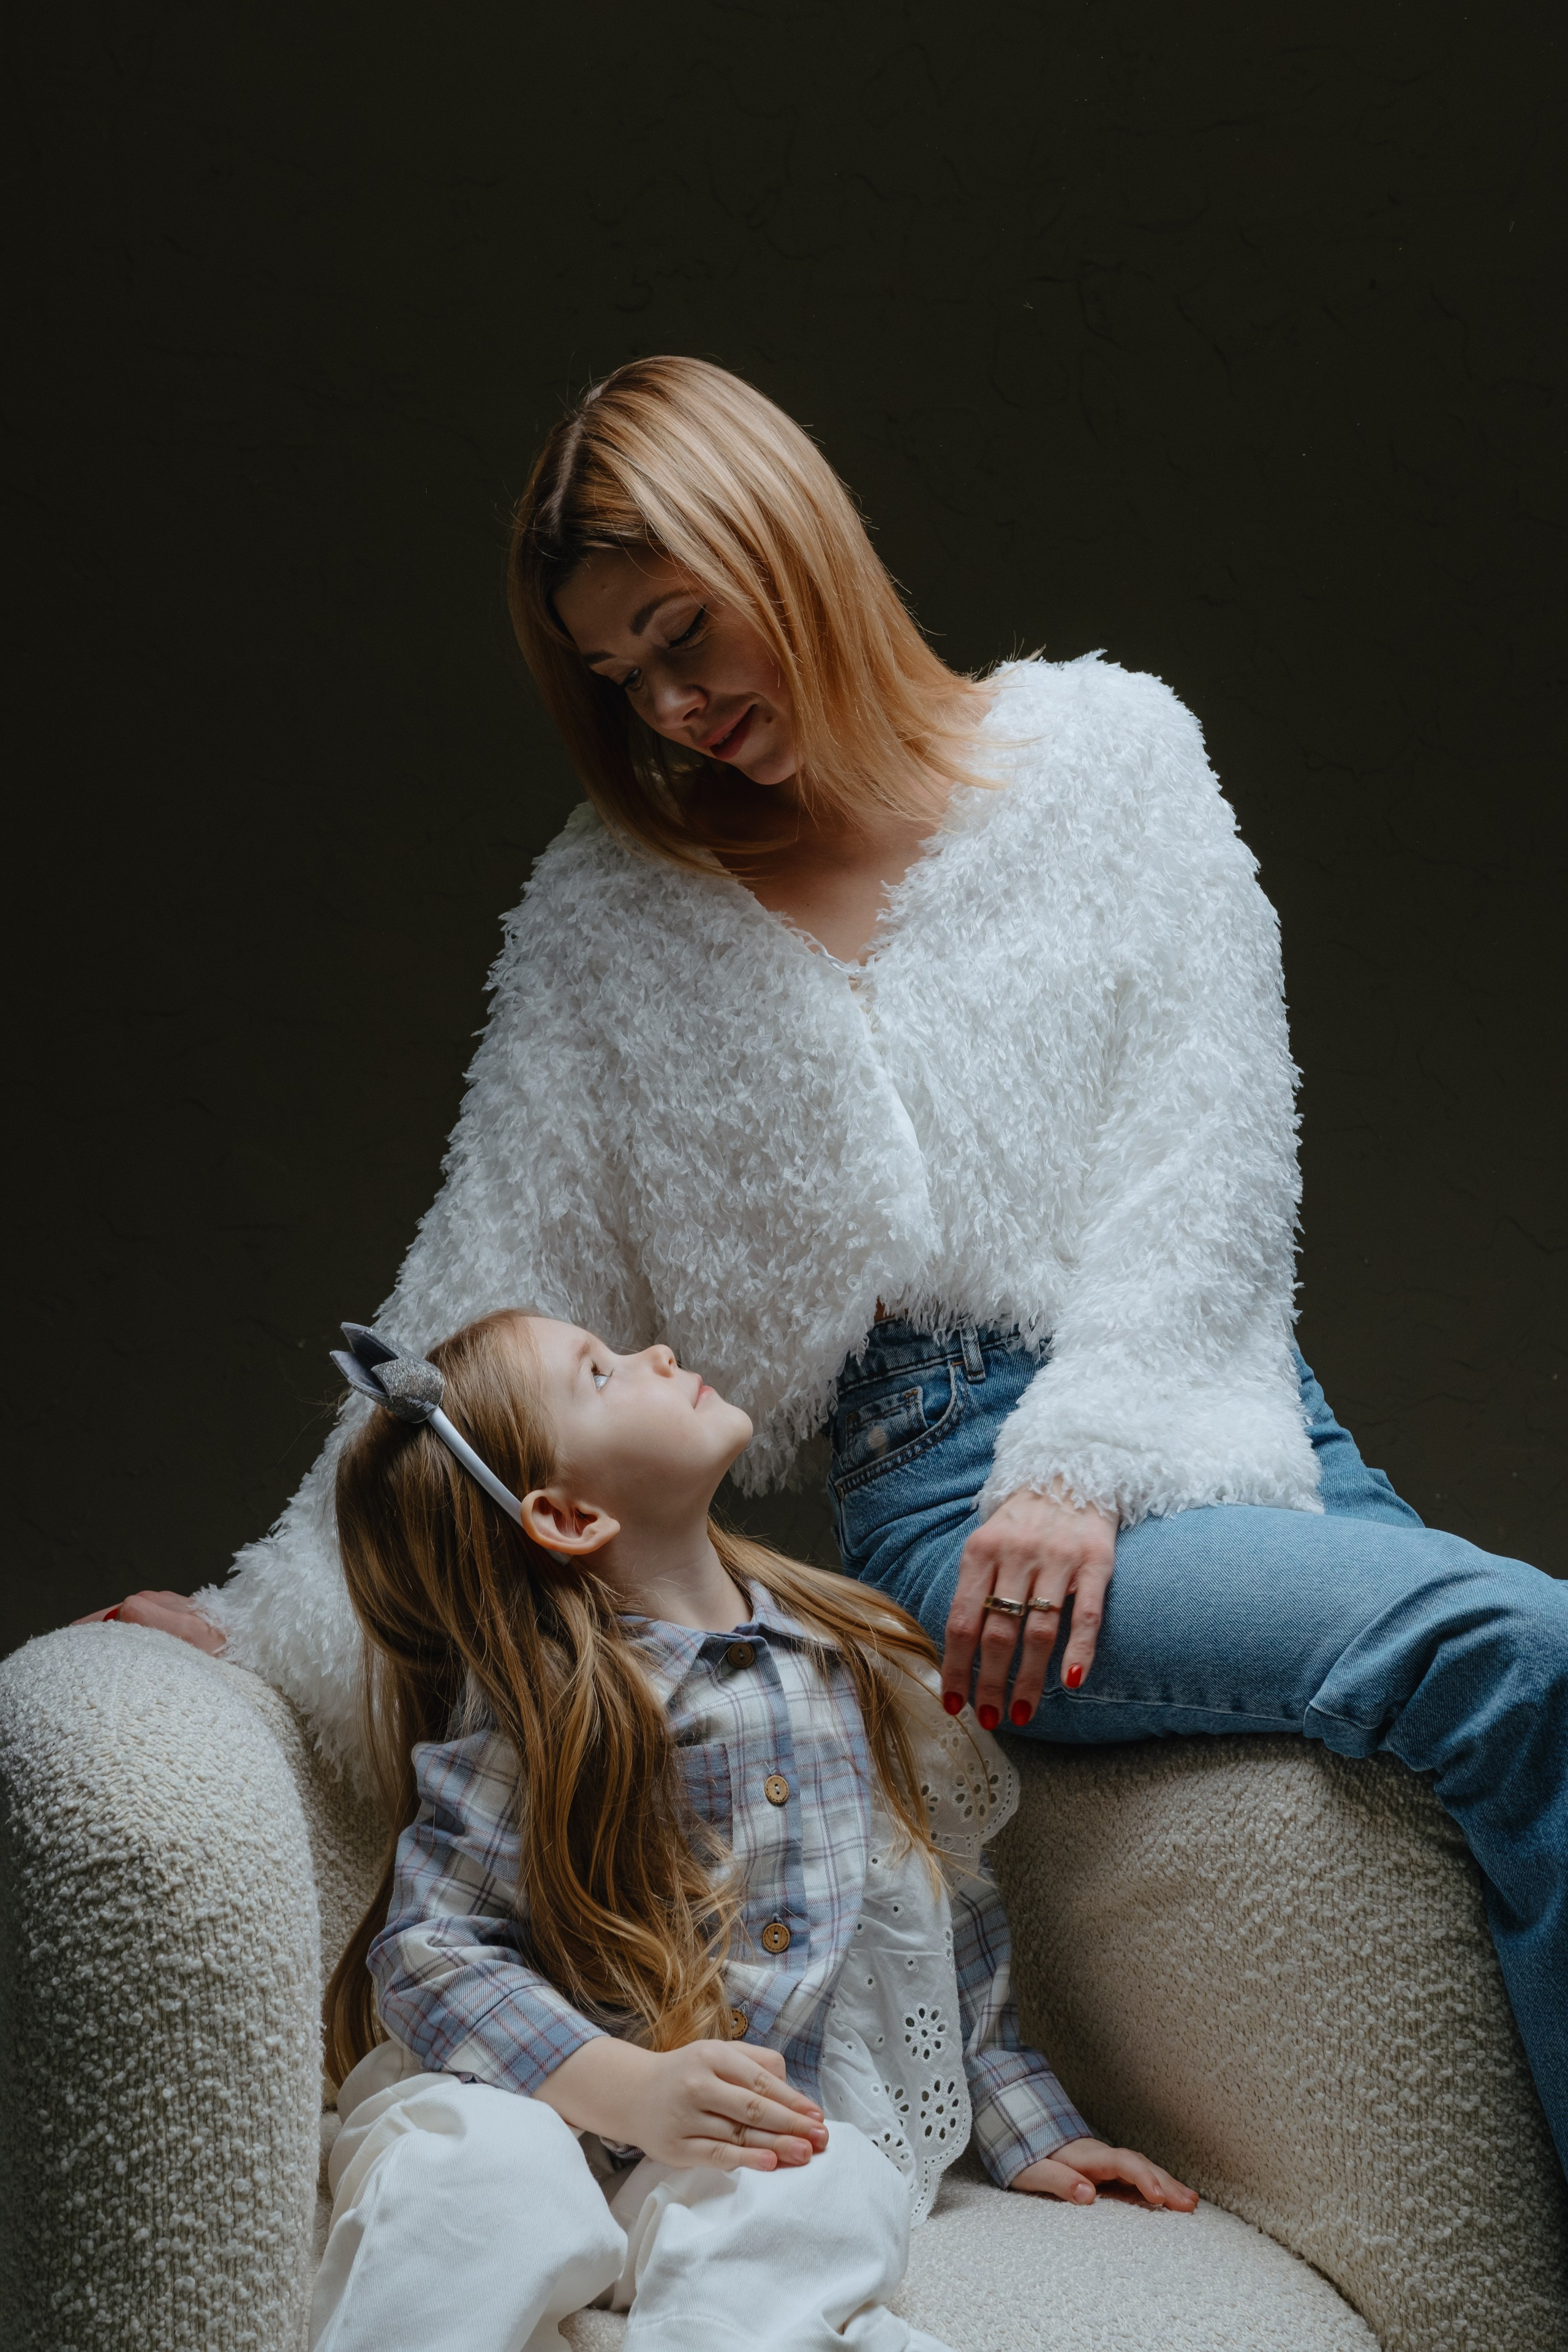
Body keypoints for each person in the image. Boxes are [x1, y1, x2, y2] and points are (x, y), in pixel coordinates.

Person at [85, 355, 1568, 2173]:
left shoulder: (1113, 756)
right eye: (619, 675)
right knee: (1523, 1654)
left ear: (787, 541)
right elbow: (485, 1286)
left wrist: (1090, 1463)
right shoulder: (613, 913)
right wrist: (265, 1624)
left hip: (1219, 1414)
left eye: (683, 630)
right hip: (946, 1503)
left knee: (1516, 1758)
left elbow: (1216, 1149)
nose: (671, 704)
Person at [307, 1306, 1194, 2352]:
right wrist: (627, 2089)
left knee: (827, 2179)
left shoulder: (851, 1653)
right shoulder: (549, 1708)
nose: (656, 1354)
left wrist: (1023, 2123)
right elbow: (429, 1951)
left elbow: (935, 1909)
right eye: (601, 1373)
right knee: (472, 2173)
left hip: (727, 2146)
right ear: (569, 1517)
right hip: (533, 2104)